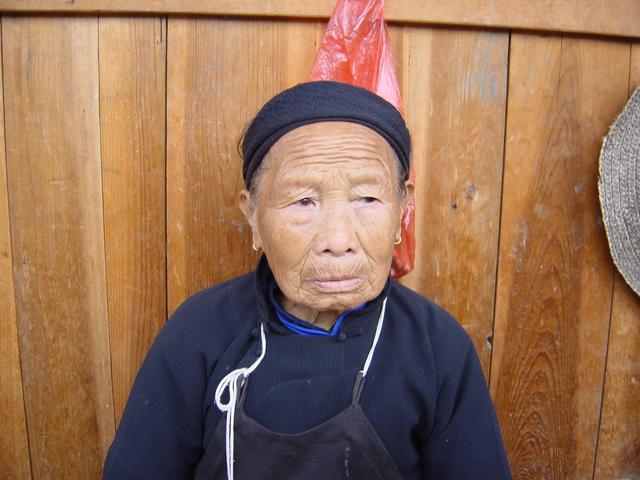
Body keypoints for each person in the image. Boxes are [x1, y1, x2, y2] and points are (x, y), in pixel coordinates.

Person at [103, 81, 511, 479]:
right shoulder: (200, 333)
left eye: (367, 198)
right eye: (303, 201)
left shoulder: (437, 347)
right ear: (253, 216)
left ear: (403, 209)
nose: (338, 241)